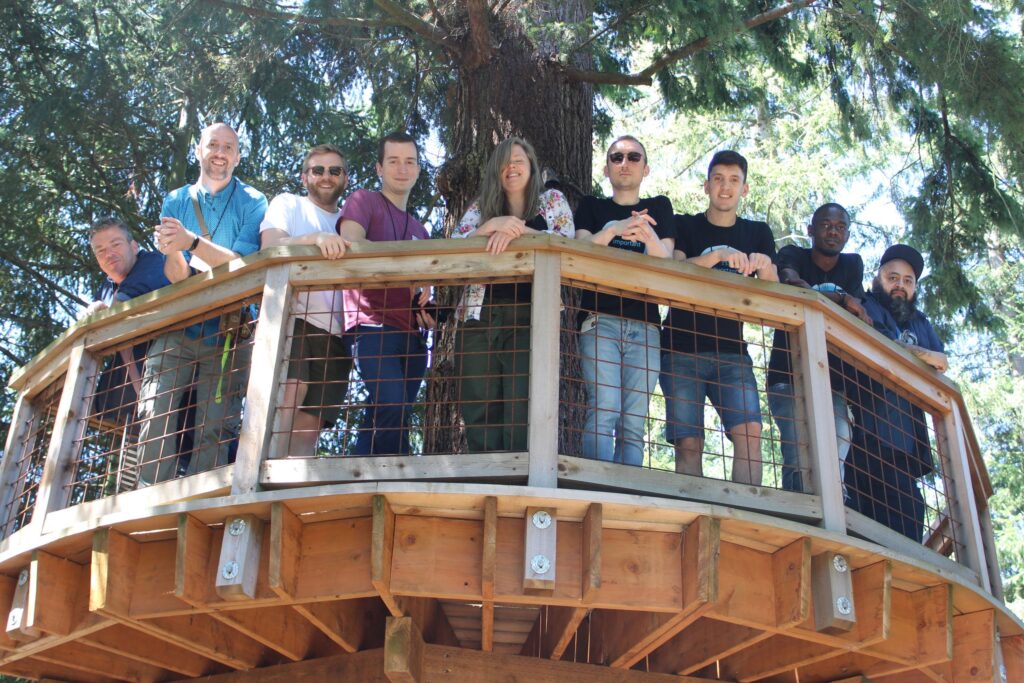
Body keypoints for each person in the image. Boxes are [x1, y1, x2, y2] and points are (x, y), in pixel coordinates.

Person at [138, 122, 267, 485]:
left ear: (238, 156)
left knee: (216, 426)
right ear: (199, 150)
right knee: (154, 416)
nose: (220, 153)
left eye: (228, 147)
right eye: (213, 145)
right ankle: (149, 499)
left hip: (229, 330)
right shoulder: (176, 198)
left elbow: (238, 266)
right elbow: (175, 275)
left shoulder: (254, 201)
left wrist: (190, 241)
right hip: (179, 324)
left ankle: (202, 502)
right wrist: (174, 249)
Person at [660, 150, 777, 485]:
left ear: (745, 188)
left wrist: (765, 265)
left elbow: (774, 293)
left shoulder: (757, 233)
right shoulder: (685, 225)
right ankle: (691, 514)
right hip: (679, 348)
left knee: (750, 433)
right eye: (718, 179)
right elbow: (674, 268)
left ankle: (746, 515)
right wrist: (716, 256)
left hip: (732, 351)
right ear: (707, 185)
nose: (725, 187)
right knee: (688, 442)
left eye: (734, 180)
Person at [452, 137, 574, 452]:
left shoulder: (551, 201)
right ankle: (486, 475)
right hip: (479, 316)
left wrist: (518, 230)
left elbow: (567, 241)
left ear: (531, 167)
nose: (512, 167)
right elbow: (454, 245)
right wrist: (492, 224)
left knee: (523, 400)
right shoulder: (481, 208)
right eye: (505, 162)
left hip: (530, 315)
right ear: (496, 171)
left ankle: (518, 477)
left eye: (519, 160)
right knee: (478, 398)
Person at [573, 135, 674, 465]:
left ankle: (626, 499)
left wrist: (647, 235)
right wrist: (614, 229)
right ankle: (596, 492)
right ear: (606, 169)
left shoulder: (659, 207)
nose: (625, 163)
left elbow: (668, 264)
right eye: (617, 158)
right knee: (604, 410)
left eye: (633, 157)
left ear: (646, 168)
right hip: (598, 321)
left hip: (645, 327)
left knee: (633, 424)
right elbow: (580, 255)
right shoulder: (592, 207)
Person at [338, 131, 433, 456]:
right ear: (380, 167)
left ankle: (359, 483)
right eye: (394, 161)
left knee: (390, 415)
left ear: (418, 170)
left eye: (410, 162)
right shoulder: (363, 201)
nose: (402, 169)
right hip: (372, 326)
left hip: (414, 337)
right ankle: (392, 480)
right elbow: (353, 247)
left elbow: (420, 289)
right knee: (392, 404)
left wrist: (426, 301)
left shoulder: (421, 230)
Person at [767, 203, 872, 492]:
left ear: (848, 234)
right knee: (798, 453)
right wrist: (840, 296)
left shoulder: (852, 265)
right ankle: (797, 516)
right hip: (787, 375)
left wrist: (847, 300)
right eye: (826, 225)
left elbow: (858, 309)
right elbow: (793, 284)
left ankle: (833, 515)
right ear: (811, 230)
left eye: (840, 227)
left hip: (832, 382)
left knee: (837, 443)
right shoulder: (792, 254)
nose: (833, 231)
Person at [845, 244, 947, 541]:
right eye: (893, 277)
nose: (900, 285)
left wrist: (920, 355)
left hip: (904, 447)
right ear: (878, 279)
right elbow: (879, 343)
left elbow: (941, 364)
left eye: (907, 280)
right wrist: (922, 355)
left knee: (908, 525)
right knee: (860, 531)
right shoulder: (866, 303)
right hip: (861, 438)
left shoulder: (920, 322)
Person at [260, 144, 353, 457]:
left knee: (309, 427)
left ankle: (289, 491)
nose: (326, 176)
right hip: (294, 322)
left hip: (340, 336)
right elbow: (270, 247)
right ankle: (261, 482)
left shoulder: (351, 220)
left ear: (345, 178)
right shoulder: (288, 204)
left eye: (334, 170)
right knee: (285, 405)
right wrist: (315, 239)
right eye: (318, 170)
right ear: (304, 176)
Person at [84, 217, 170, 426]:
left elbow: (121, 307)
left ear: (133, 245)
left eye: (115, 244)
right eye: (100, 250)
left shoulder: (153, 263)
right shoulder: (107, 287)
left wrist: (99, 314)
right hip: (141, 394)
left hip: (177, 375)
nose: (109, 254)